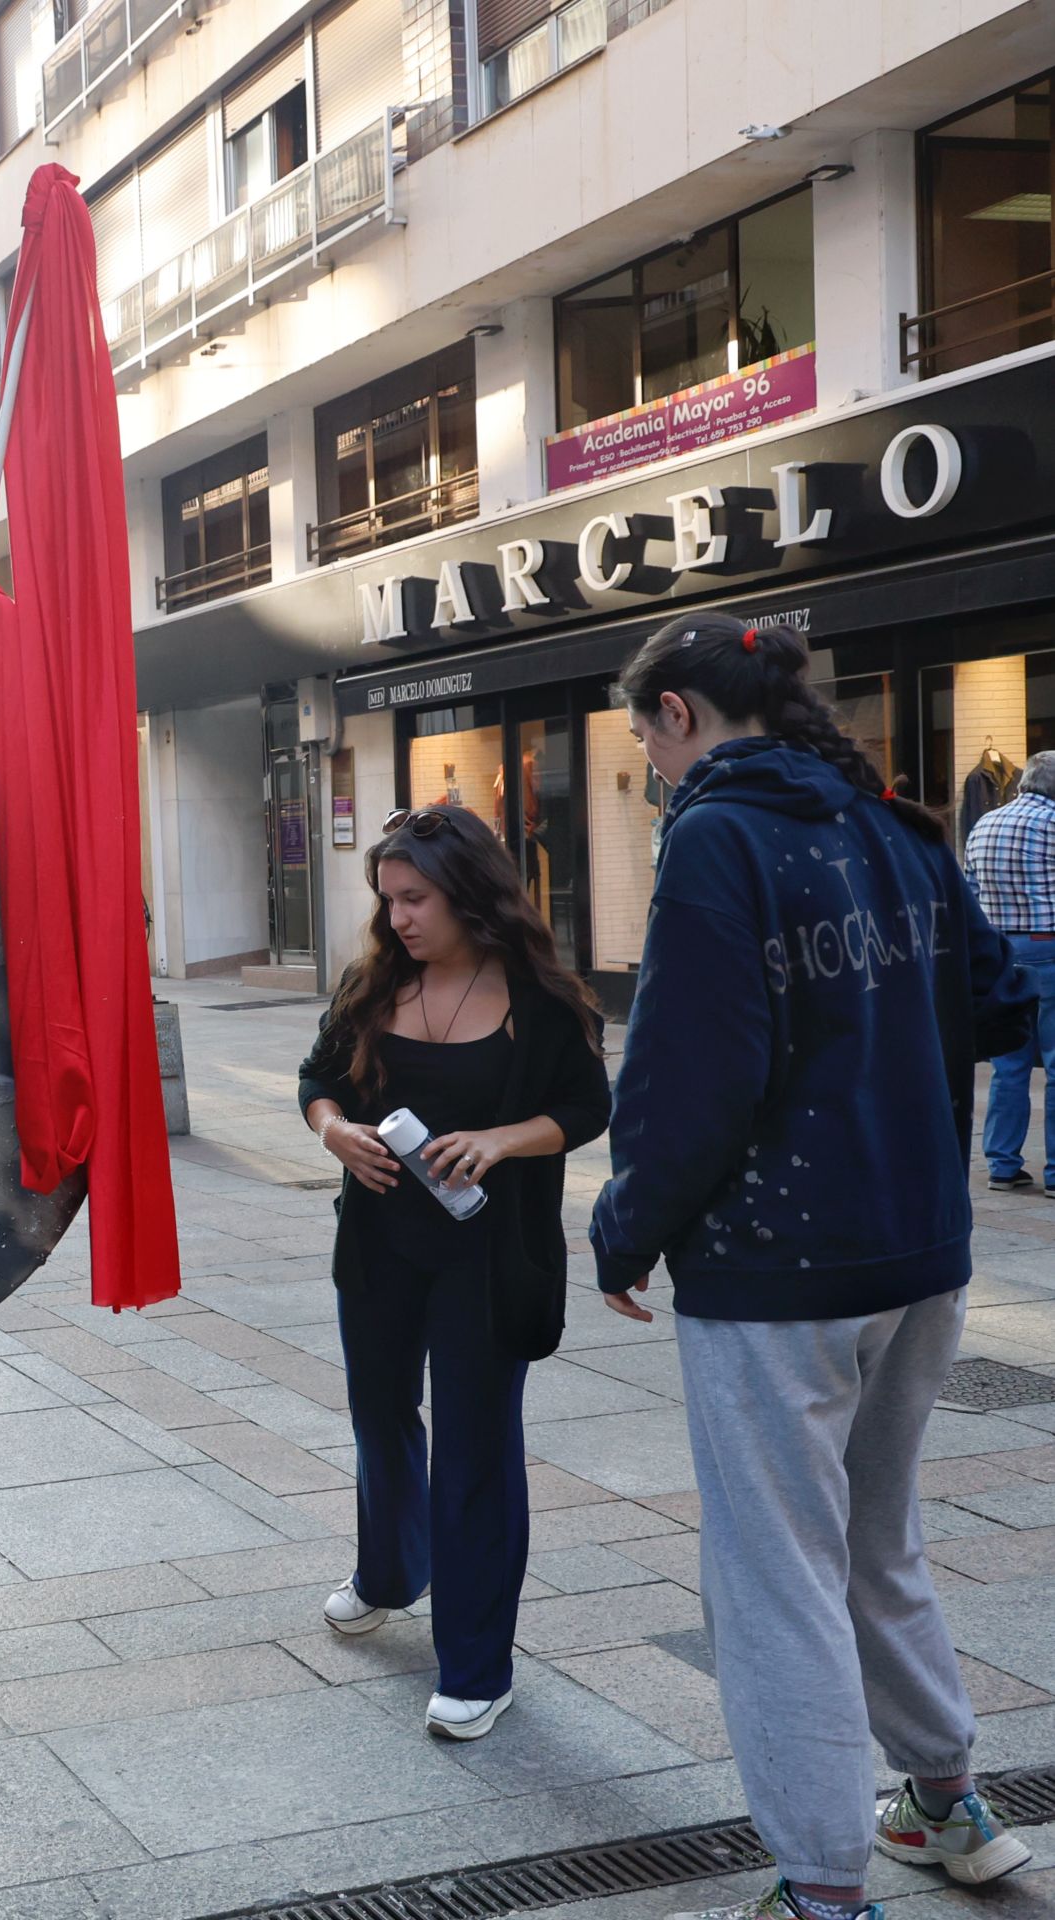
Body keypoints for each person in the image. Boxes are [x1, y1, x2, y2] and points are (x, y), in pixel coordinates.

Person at [589, 615, 1034, 1920]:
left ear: (679, 714)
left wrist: (625, 1226)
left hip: (777, 1269)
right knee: (876, 1542)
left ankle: (824, 1892)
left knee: (775, 1577)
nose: (655, 772)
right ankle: (946, 1802)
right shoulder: (895, 827)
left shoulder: (719, 838)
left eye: (647, 745)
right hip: (919, 1253)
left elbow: (691, 1071)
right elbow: (1004, 1002)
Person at [297, 806, 609, 1742]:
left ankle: (477, 1665)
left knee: (475, 1447)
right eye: (388, 899)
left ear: (469, 894)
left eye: (415, 898)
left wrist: (503, 1141)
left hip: (487, 1256)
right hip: (380, 1246)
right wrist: (336, 1132)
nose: (398, 918)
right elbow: (316, 1080)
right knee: (379, 1411)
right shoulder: (371, 984)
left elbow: (587, 1107)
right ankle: (389, 1574)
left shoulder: (539, 1000)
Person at [964, 749, 1055, 1195]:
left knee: (1009, 1066)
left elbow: (970, 891)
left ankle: (1002, 1164)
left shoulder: (985, 823)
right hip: (1048, 947)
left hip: (1003, 951)